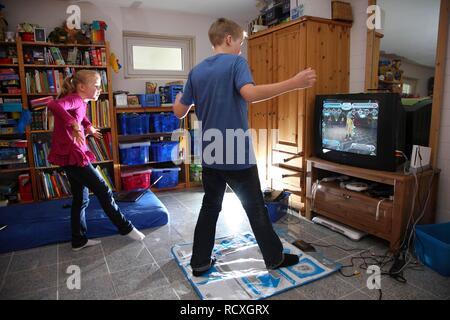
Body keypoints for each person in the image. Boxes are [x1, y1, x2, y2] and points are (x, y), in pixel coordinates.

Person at [173, 18, 317, 276]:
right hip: (236, 152)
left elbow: (179, 112)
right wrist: (293, 83)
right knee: (256, 210)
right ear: (229, 39)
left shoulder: (195, 71)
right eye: (240, 41)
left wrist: (177, 99)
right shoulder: (236, 63)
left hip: (210, 152)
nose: (241, 47)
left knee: (210, 208)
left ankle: (200, 263)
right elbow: (249, 94)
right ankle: (274, 258)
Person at [48, 70, 145, 251]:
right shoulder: (76, 99)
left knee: (81, 199)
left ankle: (78, 240)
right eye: (97, 86)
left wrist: (88, 126)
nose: (100, 89)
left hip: (71, 156)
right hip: (74, 155)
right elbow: (54, 105)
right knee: (104, 191)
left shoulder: (80, 100)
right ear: (82, 87)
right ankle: (126, 228)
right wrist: (73, 124)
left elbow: (80, 113)